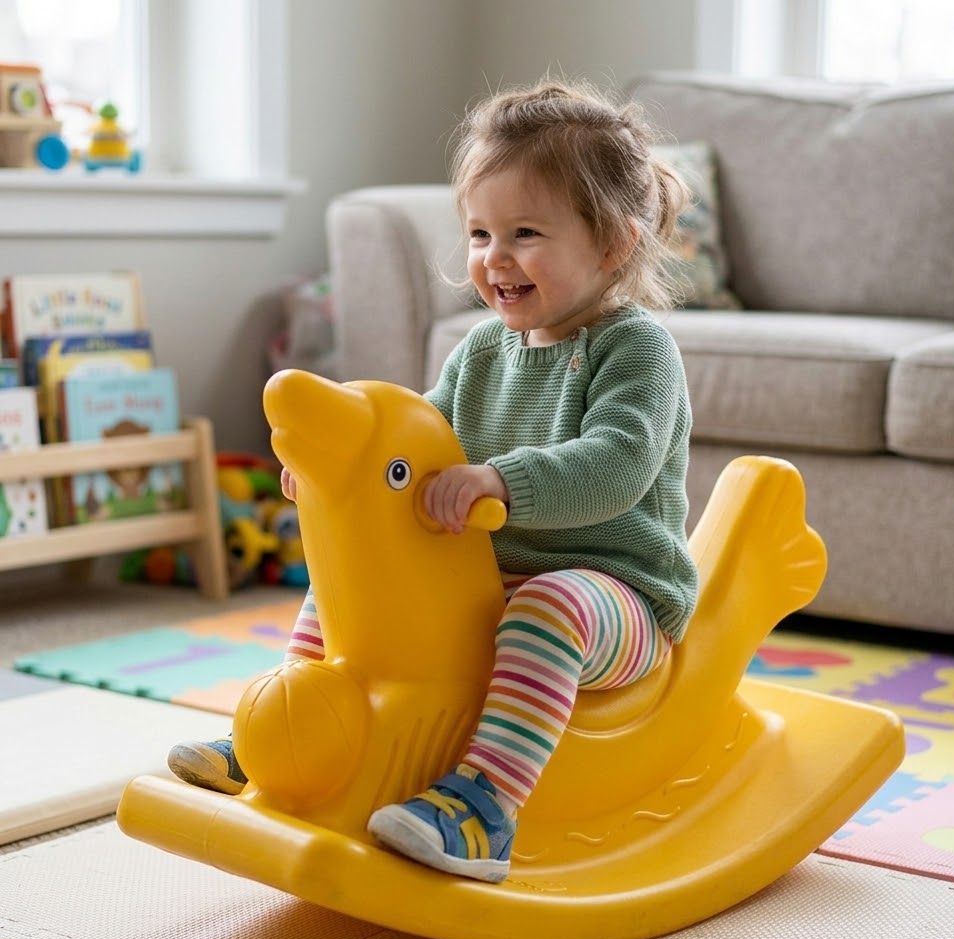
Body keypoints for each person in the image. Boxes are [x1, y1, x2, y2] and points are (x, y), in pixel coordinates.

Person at [168, 76, 699, 884]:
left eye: (525, 233)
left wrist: (500, 481)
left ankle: (486, 807)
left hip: (615, 592)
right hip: (485, 580)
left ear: (612, 245)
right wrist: (343, 477)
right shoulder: (481, 350)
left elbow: (618, 465)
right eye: (480, 233)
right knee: (340, 586)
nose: (494, 258)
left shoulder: (636, 348)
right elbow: (418, 442)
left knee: (548, 608)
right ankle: (286, 727)